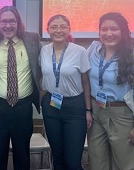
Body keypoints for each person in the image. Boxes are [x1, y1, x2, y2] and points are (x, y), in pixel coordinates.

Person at [87, 12, 134, 170]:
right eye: (104, 29)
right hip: (97, 112)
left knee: (126, 165)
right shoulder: (94, 51)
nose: (108, 33)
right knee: (97, 162)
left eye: (114, 29)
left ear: (123, 31)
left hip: (122, 115)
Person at [0, 5, 41, 170]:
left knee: (22, 153)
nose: (8, 25)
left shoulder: (33, 40)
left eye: (12, 21)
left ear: (18, 22)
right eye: (4, 21)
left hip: (22, 107)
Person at [39, 14, 92, 170]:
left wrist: (88, 110)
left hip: (74, 107)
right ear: (48, 30)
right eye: (54, 27)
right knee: (57, 157)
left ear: (69, 29)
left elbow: (86, 82)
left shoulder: (80, 51)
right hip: (51, 105)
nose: (58, 30)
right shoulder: (43, 51)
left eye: (63, 26)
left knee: (73, 161)